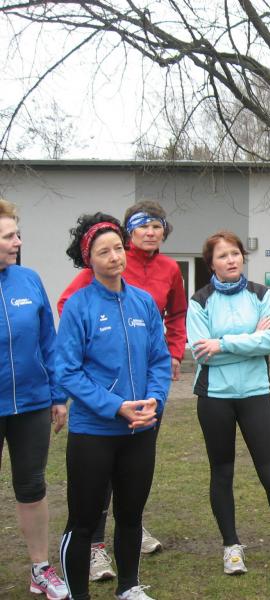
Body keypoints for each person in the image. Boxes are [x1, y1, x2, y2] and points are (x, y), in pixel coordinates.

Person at [58, 200, 186, 579]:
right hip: (95, 427)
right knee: (85, 516)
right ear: (89, 260)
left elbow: (159, 358)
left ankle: (129, 585)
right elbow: (67, 370)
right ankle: (85, 573)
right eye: (105, 252)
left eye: (118, 248)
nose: (115, 257)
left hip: (141, 424)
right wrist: (115, 404)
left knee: (130, 512)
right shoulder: (80, 302)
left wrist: (155, 400)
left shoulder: (145, 299)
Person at [186, 230, 270, 575]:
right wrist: (251, 339)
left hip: (255, 395)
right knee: (222, 472)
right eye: (222, 255)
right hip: (215, 398)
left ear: (242, 257)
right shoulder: (199, 301)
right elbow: (201, 352)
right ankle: (231, 546)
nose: (231, 260)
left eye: (235, 253)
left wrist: (223, 343)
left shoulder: (261, 294)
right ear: (211, 264)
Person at [0, 199, 68, 600]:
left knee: (32, 486)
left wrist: (57, 396)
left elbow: (48, 341)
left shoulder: (28, 279)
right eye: (9, 236)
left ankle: (40, 568)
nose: (18, 242)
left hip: (31, 404)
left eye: (17, 234)